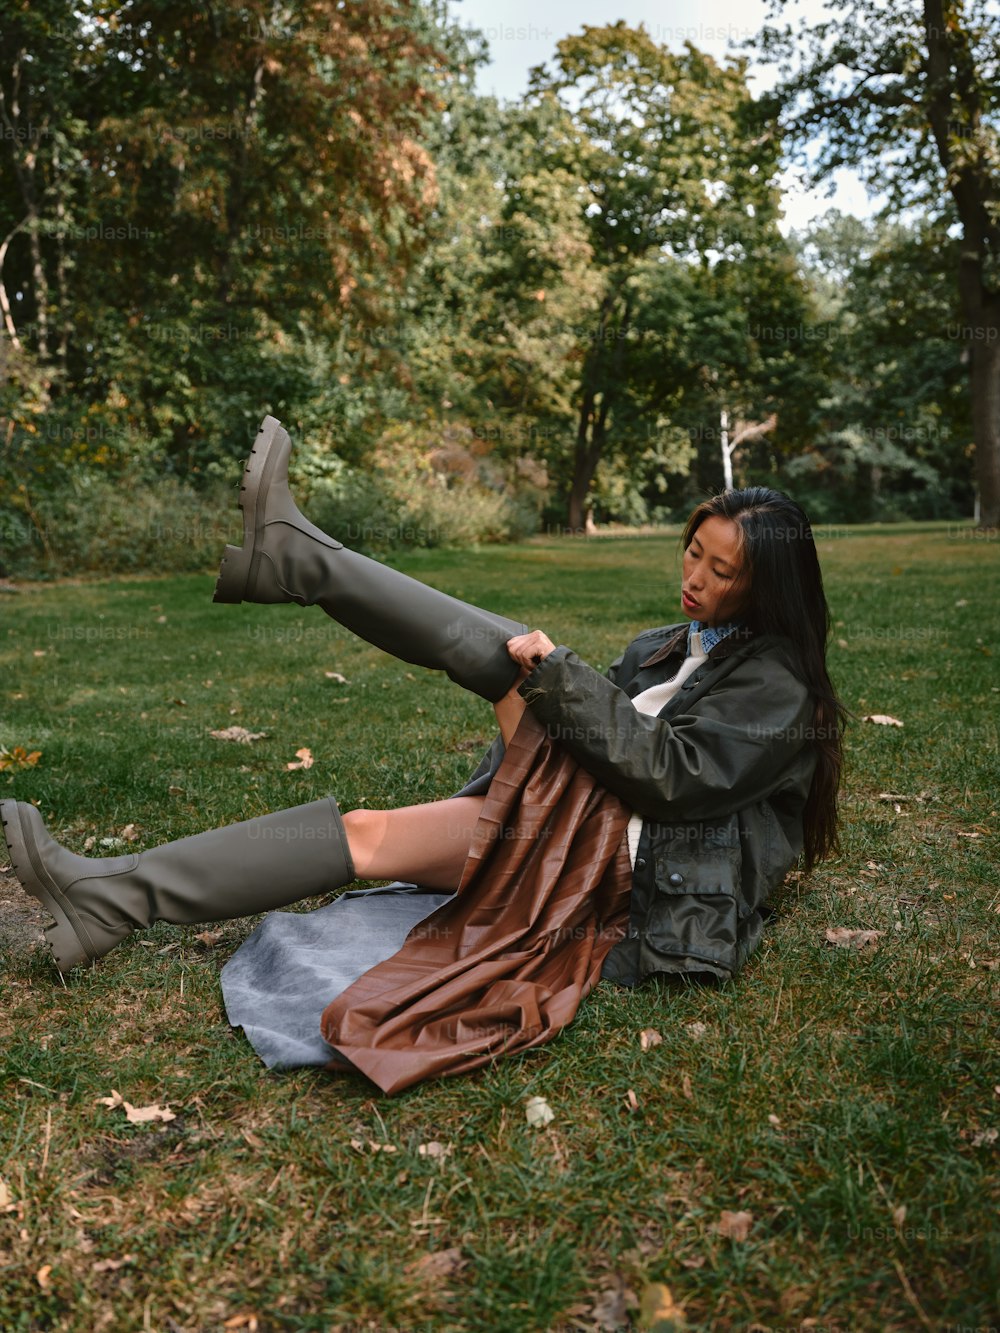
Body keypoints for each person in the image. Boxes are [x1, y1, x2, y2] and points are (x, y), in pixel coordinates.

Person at [1, 416, 843, 1093]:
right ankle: (108, 902)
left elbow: (673, 779)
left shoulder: (779, 687)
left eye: (722, 570)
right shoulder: (670, 644)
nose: (695, 577)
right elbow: (616, 742)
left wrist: (563, 683)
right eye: (693, 550)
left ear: (766, 588)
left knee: (516, 655)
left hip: (637, 869)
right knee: (369, 832)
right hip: (584, 831)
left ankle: (297, 560)